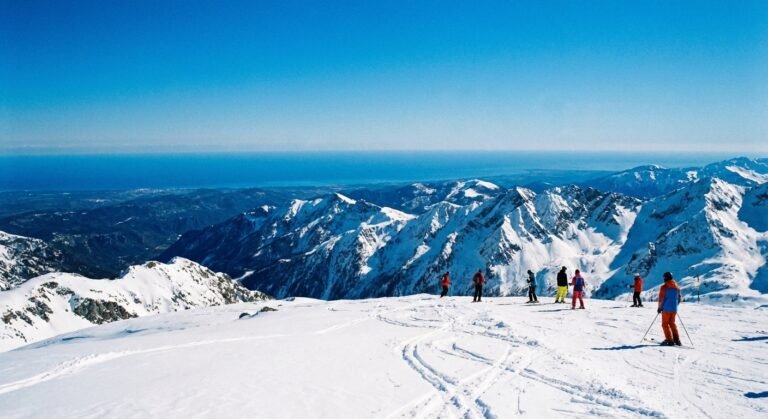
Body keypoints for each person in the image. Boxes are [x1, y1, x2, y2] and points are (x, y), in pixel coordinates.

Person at [658, 271, 683, 346]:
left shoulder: (664, 287)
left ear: (666, 278)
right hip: (674, 309)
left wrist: (660, 308)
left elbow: (661, 299)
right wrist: (674, 305)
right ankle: (677, 340)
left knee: (665, 324)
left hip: (666, 309)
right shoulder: (677, 287)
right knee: (672, 323)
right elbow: (679, 298)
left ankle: (669, 340)